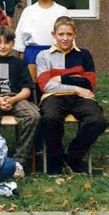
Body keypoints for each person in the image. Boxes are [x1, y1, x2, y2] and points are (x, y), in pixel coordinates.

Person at [36, 16, 107, 175]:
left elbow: (89, 83)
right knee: (51, 119)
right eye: (61, 34)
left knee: (98, 121)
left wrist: (61, 78)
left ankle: (71, 157)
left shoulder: (84, 55)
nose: (65, 38)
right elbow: (46, 85)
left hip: (81, 98)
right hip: (54, 96)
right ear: (54, 34)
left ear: (75, 34)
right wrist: (76, 86)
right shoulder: (43, 56)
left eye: (69, 34)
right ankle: (55, 162)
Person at [0, 25, 40, 178]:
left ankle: (18, 161)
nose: (3, 46)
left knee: (33, 116)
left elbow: (27, 89)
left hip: (16, 97)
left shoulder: (20, 63)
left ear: (13, 43)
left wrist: (14, 99)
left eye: (7, 42)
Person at [15, 0, 68, 64]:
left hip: (55, 55)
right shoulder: (28, 11)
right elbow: (20, 43)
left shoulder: (61, 11)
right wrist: (21, 67)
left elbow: (69, 39)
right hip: (32, 57)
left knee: (55, 79)